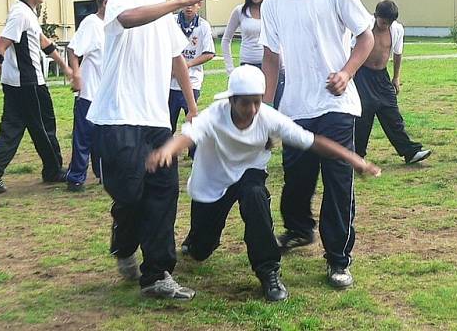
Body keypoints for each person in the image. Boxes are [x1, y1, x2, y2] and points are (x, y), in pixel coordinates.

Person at [146, 66, 381, 302]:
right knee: (199, 251)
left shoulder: (268, 117)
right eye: (245, 103)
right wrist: (166, 151)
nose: (252, 109)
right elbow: (188, 135)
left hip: (249, 173)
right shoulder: (215, 115)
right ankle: (197, 242)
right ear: (232, 101)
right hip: (214, 181)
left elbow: (313, 142)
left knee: (256, 197)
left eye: (257, 102)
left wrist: (355, 160)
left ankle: (269, 272)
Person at [86, 0, 219, 300]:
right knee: (130, 193)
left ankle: (157, 274)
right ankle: (124, 241)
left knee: (163, 193)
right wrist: (180, 2)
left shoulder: (163, 7)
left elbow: (178, 58)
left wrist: (192, 109)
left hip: (158, 119)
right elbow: (128, 19)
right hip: (119, 116)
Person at [260, 0, 374, 289]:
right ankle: (299, 229)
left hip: (336, 104)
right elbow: (270, 58)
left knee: (338, 183)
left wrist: (346, 72)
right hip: (296, 107)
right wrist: (265, 108)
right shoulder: (273, 4)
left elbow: (366, 36)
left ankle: (338, 259)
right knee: (297, 180)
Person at [0, 0, 73, 194]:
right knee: (44, 125)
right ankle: (53, 170)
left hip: (17, 84)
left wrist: (65, 67)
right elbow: (1, 46)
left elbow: (43, 42)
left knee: (11, 128)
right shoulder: (21, 14)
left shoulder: (27, 12)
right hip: (28, 83)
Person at [353, 0, 431, 164]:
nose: (385, 25)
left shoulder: (396, 30)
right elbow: (352, 49)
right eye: (382, 22)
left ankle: (410, 152)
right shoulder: (364, 27)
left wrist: (396, 77)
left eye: (389, 22)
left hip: (382, 76)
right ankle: (356, 156)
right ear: (375, 17)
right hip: (362, 75)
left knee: (392, 114)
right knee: (363, 115)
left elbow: (397, 53)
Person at [64, 0, 110, 192]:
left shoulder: (116, 25)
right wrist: (77, 73)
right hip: (90, 91)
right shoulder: (91, 24)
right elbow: (73, 49)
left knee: (104, 138)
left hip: (106, 94)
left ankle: (104, 174)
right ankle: (76, 177)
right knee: (84, 136)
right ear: (106, 3)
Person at [221, 0, 284, 107]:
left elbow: (283, 39)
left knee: (275, 108)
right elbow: (226, 40)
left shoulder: (275, 10)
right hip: (248, 66)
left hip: (273, 67)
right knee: (249, 110)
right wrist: (230, 69)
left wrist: (284, 65)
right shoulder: (240, 11)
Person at [169, 0, 216, 151]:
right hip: (170, 82)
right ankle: (167, 151)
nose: (189, 6)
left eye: (193, 2)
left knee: (192, 118)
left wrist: (186, 65)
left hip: (192, 80)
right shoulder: (171, 21)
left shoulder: (203, 26)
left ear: (199, 5)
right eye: (186, 2)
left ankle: (195, 153)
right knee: (168, 121)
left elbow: (209, 53)